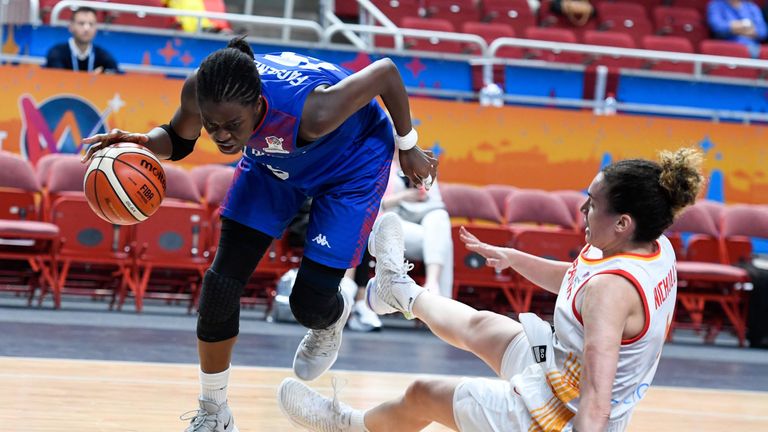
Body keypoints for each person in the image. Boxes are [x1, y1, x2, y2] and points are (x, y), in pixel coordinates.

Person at [81, 37, 437, 432]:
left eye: (233, 126)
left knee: (308, 303)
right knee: (220, 284)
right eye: (212, 126)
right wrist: (144, 142)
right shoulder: (204, 88)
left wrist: (408, 145)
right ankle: (215, 414)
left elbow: (385, 72)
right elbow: (179, 139)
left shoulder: (315, 110)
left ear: (257, 105)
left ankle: (331, 319)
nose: (221, 137)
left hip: (351, 163)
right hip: (272, 163)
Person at [278, 148, 705, 432]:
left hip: (558, 416)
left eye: (592, 203)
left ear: (623, 222)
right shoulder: (651, 244)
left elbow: (597, 397)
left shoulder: (613, 291)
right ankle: (398, 289)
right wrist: (516, 258)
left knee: (423, 394)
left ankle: (347, 423)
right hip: (560, 366)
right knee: (480, 324)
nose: (583, 208)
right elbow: (576, 282)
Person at [379, 154, 452, 297]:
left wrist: (423, 190)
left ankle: (432, 283)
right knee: (444, 243)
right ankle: (441, 300)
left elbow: (437, 203)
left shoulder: (422, 161)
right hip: (393, 218)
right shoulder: (381, 162)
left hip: (425, 216)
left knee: (440, 218)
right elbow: (376, 205)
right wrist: (402, 196)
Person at [44, 7, 119, 74]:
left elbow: (114, 74)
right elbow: (57, 79)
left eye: (91, 24)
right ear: (71, 27)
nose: (87, 28)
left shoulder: (104, 56)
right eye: (81, 23)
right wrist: (90, 79)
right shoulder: (57, 53)